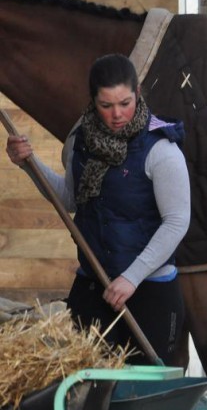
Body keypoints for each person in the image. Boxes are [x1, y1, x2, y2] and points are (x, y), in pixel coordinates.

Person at [5, 53, 189, 363]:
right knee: (91, 393)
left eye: (125, 103)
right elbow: (69, 199)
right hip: (93, 288)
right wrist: (29, 164)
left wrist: (131, 277)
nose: (118, 114)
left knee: (145, 392)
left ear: (138, 94)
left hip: (150, 293)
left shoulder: (160, 149)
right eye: (106, 106)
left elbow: (176, 222)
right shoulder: (80, 142)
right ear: (93, 101)